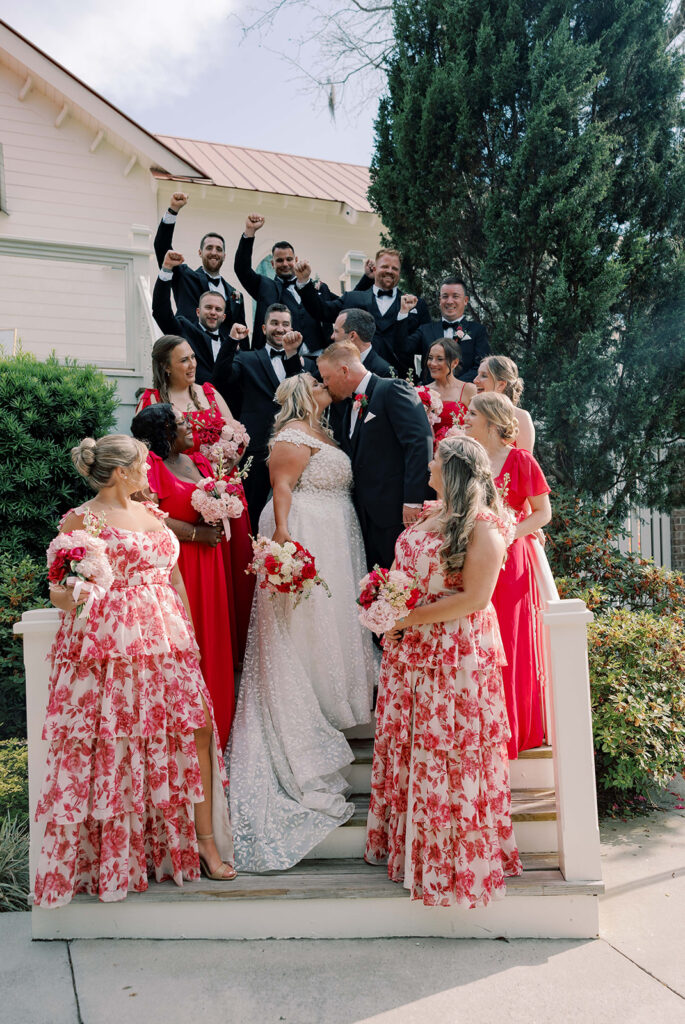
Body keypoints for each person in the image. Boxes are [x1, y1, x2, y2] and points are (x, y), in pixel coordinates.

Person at [34, 435, 235, 908]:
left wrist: (189, 637)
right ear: (121, 471)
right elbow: (58, 593)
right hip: (112, 646)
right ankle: (120, 855)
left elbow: (176, 578)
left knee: (195, 732)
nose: (151, 471)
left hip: (168, 643)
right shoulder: (82, 520)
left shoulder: (154, 513)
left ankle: (203, 841)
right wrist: (78, 589)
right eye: (143, 464)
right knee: (118, 746)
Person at [365, 435, 523, 907]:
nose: (428, 466)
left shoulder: (485, 527)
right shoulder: (431, 514)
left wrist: (406, 618)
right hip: (410, 651)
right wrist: (384, 613)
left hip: (455, 655)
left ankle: (450, 861)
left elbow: (475, 599)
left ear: (452, 470)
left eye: (436, 461)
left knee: (448, 750)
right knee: (414, 747)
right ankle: (411, 849)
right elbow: (405, 578)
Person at [228, 374, 376, 871]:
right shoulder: (291, 435)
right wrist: (285, 538)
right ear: (300, 393)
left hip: (338, 529)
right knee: (304, 624)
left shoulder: (327, 432)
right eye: (314, 382)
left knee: (331, 623)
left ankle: (335, 699)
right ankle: (309, 707)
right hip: (306, 527)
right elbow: (282, 486)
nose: (321, 386)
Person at [135, 336, 254, 665]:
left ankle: (235, 655)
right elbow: (146, 450)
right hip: (183, 498)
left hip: (222, 493)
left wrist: (229, 457)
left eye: (192, 358)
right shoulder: (150, 400)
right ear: (165, 366)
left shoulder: (209, 394)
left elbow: (238, 438)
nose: (192, 365)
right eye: (183, 360)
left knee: (235, 575)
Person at [130, 406, 237, 750]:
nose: (189, 426)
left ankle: (220, 730)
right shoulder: (150, 469)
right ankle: (190, 738)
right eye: (180, 424)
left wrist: (221, 512)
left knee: (215, 638)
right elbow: (148, 515)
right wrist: (194, 533)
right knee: (192, 640)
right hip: (181, 565)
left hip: (211, 562)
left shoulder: (198, 462)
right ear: (164, 432)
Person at [464, 393, 552, 757]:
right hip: (471, 555)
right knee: (475, 641)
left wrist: (507, 531)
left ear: (490, 421)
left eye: (472, 414)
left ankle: (510, 732)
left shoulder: (521, 460)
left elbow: (542, 513)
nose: (465, 418)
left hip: (511, 561)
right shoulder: (467, 460)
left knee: (509, 642)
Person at [317, 341, 433, 570]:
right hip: (367, 516)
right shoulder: (347, 405)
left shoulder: (392, 389)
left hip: (397, 511)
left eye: (327, 377)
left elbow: (420, 443)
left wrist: (412, 500)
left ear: (344, 370)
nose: (325, 384)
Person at [212, 303, 312, 527]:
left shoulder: (299, 360)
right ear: (264, 328)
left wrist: (292, 354)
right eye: (275, 323)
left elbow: (303, 393)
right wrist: (231, 341)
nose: (280, 328)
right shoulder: (248, 359)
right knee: (253, 510)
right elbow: (221, 378)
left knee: (292, 513)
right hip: (256, 448)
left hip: (292, 447)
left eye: (285, 324)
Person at [296, 250, 431, 372]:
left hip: (400, 378)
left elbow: (427, 345)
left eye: (394, 268)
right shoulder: (353, 298)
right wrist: (304, 282)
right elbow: (322, 311)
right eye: (384, 266)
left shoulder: (416, 305)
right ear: (375, 268)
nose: (389, 271)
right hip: (355, 376)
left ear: (399, 273)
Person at [234, 213, 334, 353]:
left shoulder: (316, 287)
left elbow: (343, 305)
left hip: (319, 355)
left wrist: (367, 278)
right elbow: (242, 269)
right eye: (279, 261)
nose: (285, 264)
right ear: (272, 264)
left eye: (289, 259)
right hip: (281, 356)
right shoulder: (264, 286)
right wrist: (249, 232)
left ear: (296, 259)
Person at [153, 250, 251, 384]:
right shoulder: (184, 330)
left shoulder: (232, 343)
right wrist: (166, 269)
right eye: (208, 307)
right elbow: (161, 311)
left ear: (223, 317)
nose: (213, 312)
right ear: (198, 312)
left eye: (218, 309)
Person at [153, 191, 245, 334]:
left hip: (223, 353)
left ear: (224, 256)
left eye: (218, 249)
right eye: (209, 248)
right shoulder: (185, 276)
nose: (214, 252)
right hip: (190, 348)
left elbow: (241, 331)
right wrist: (173, 210)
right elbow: (161, 247)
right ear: (200, 252)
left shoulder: (235, 294)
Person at [397, 277, 490, 382]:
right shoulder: (425, 330)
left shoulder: (478, 331)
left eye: (455, 296)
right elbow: (403, 349)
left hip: (464, 393)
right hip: (430, 393)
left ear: (465, 300)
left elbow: (480, 366)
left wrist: (455, 386)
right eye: (445, 296)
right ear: (440, 300)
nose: (449, 301)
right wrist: (403, 313)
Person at [475, 355, 535, 453]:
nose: (475, 380)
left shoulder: (521, 417)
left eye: (484, 376)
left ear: (501, 384)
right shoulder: (474, 413)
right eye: (478, 374)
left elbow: (525, 464)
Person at [424, 337, 477, 446]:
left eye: (439, 359)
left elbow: (480, 426)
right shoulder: (423, 392)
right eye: (430, 358)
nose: (432, 363)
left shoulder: (468, 390)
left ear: (454, 363)